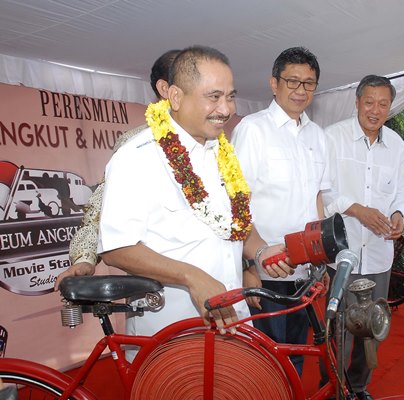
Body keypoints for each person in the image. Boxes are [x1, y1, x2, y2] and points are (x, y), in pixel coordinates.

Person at [97, 46, 292, 345]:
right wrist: (191, 277)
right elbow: (116, 249)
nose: (226, 109)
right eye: (213, 97)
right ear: (175, 96)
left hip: (235, 321)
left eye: (230, 96)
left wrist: (262, 251)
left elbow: (231, 225)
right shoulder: (137, 157)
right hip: (172, 332)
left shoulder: (222, 154)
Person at [231, 46, 331, 376]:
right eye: (292, 81)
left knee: (297, 353)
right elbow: (235, 202)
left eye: (309, 83)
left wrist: (322, 258)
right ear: (274, 84)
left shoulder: (317, 136)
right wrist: (248, 262)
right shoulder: (253, 129)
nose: (300, 90)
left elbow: (317, 198)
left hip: (304, 272)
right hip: (266, 272)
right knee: (265, 361)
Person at [56, 49, 181, 287]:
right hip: (157, 288)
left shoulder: (216, 143)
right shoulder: (137, 142)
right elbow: (100, 205)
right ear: (166, 90)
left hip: (223, 285)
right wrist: (85, 258)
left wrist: (248, 264)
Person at [322, 75, 404, 400]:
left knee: (371, 327)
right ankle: (333, 388)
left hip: (377, 255)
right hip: (342, 255)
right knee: (339, 329)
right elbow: (323, 194)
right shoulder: (332, 138)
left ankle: (358, 386)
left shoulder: (397, 146)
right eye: (369, 102)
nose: (375, 110)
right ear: (357, 102)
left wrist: (401, 214)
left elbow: (403, 195)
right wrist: (357, 210)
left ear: (390, 107)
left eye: (383, 104)